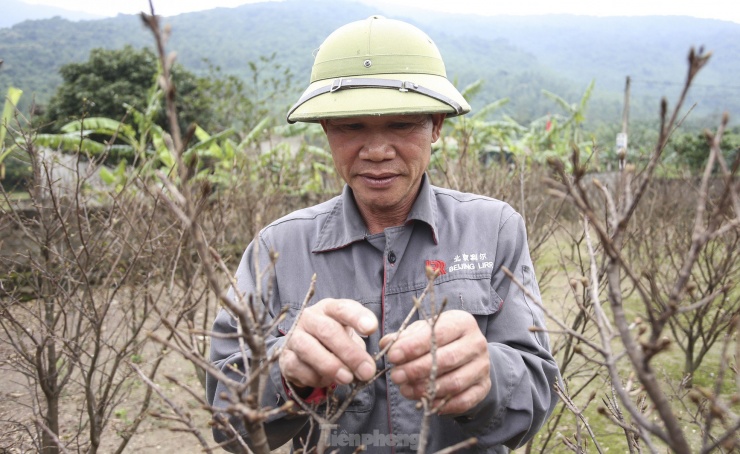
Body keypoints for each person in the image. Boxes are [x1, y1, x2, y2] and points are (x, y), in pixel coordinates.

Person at [207, 15, 560, 453]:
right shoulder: (279, 248)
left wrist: (487, 376)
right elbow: (228, 423)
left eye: (401, 124)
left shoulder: (493, 229)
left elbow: (538, 393)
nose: (376, 151)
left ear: (436, 127)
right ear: (326, 131)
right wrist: (287, 370)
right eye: (351, 126)